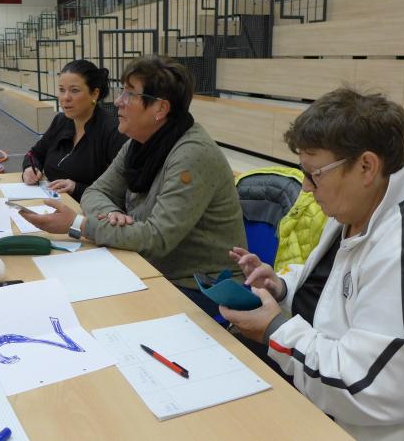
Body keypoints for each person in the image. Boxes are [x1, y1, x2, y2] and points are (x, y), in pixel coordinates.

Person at [220, 88, 404, 440]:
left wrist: (275, 330)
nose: (307, 188)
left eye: (315, 174)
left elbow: (373, 389)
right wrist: (282, 289)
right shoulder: (360, 207)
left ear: (366, 167)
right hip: (353, 408)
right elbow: (340, 292)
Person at [21, 55, 246, 311]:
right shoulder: (137, 143)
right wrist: (111, 213)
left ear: (160, 109)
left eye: (129, 94)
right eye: (121, 91)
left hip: (200, 287)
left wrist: (78, 224)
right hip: (147, 266)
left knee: (95, 311)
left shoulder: (192, 155)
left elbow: (156, 239)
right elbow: (96, 191)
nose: (118, 101)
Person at [21, 59, 127, 202]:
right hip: (49, 202)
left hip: (86, 211)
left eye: (74, 90)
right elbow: (34, 154)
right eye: (61, 90)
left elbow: (121, 193)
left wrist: (76, 188)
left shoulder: (113, 131)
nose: (65, 98)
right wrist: (29, 168)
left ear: (94, 94)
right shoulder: (61, 121)